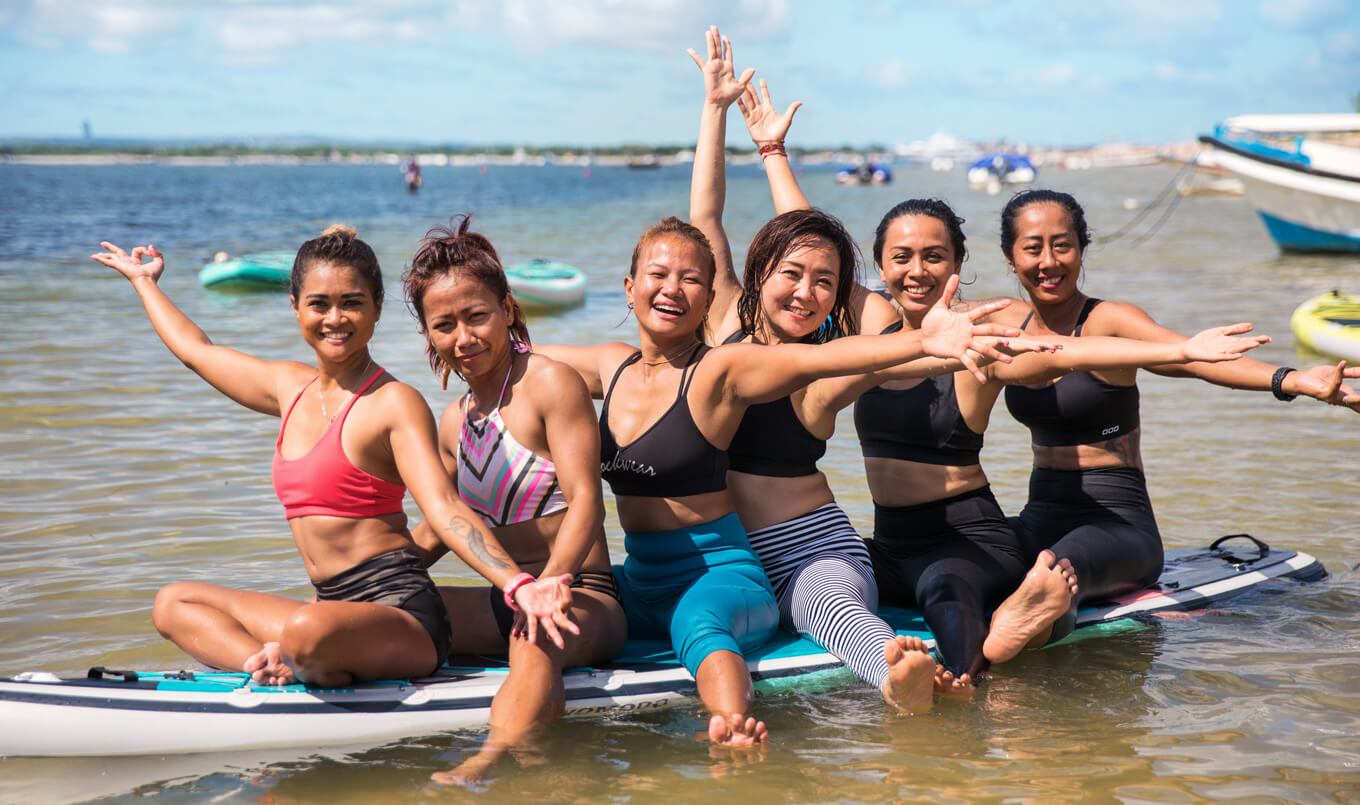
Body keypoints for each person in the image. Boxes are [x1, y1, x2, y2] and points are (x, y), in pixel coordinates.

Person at [735, 78, 1270, 693]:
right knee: (827, 568)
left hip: (964, 536)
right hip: (890, 541)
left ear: (957, 266)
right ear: (878, 268)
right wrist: (772, 152)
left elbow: (1058, 350)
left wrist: (1175, 349)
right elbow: (808, 242)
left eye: (934, 256)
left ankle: (964, 691)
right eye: (901, 257)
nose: (917, 270)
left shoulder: (981, 331)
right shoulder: (873, 324)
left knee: (946, 593)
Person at [536, 211, 1026, 745]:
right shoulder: (713, 340)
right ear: (757, 278)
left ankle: (895, 674)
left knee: (830, 607)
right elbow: (705, 219)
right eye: (792, 275)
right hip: (716, 564)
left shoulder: (794, 368)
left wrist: (923, 343)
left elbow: (860, 358)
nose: (806, 292)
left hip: (807, 550)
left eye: (825, 284)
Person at [92, 228, 574, 689]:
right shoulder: (288, 388)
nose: (335, 318)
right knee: (174, 603)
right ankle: (268, 664)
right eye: (319, 304)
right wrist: (144, 283)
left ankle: (300, 654)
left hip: (401, 614)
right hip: (328, 609)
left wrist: (517, 586)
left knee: (305, 628)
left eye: (352, 303)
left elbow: (445, 509)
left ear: (377, 308)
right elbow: (197, 352)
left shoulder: (393, 402)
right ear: (295, 307)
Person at [986, 188, 1360, 655]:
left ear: (1082, 248)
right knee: (971, 553)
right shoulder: (1003, 323)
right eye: (1032, 247)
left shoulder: (1109, 320)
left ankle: (1016, 652)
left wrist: (1292, 378)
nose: (1049, 261)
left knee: (1056, 570)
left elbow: (1193, 357)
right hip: (1041, 512)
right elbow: (919, 330)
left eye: (1062, 245)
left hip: (1120, 525)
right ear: (1009, 256)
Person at [398, 217, 627, 785]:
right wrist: (373, 581)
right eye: (444, 325)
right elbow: (438, 528)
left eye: (477, 316)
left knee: (532, 635)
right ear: (429, 335)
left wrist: (552, 583)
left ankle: (488, 762)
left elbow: (586, 504)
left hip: (581, 596)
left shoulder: (550, 383)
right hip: (510, 597)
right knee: (393, 616)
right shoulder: (455, 420)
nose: (463, 338)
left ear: (507, 308)